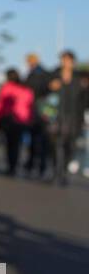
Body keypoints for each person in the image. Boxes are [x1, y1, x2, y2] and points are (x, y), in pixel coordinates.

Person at [48, 51, 87, 186]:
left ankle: (63, 171)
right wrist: (50, 87)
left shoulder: (80, 79)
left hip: (74, 118)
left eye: (68, 60)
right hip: (56, 117)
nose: (65, 62)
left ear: (73, 62)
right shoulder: (53, 76)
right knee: (55, 146)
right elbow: (42, 94)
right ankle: (56, 172)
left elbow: (85, 100)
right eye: (63, 60)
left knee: (70, 147)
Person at [0, 69, 34, 176]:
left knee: (10, 144)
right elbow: (30, 104)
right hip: (22, 120)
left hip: (9, 120)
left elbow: (0, 105)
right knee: (17, 144)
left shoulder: (7, 88)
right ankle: (14, 165)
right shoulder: (26, 89)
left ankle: (11, 166)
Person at [23, 53, 52, 178]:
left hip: (35, 111)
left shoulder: (34, 75)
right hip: (44, 112)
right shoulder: (46, 74)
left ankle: (32, 164)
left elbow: (28, 90)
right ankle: (41, 166)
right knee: (42, 140)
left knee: (35, 140)